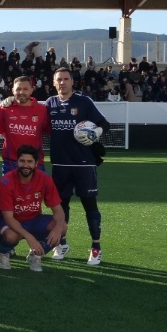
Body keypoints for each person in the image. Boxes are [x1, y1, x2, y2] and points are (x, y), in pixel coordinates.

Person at [46, 67, 110, 265]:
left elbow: (104, 124)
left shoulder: (84, 102)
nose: (63, 82)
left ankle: (96, 247)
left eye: (66, 79)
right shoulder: (50, 103)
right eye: (59, 80)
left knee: (89, 205)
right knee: (61, 207)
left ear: (72, 82)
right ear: (54, 83)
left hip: (83, 163)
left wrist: (95, 133)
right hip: (60, 163)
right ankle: (61, 243)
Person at [0, 145, 65, 272]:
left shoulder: (45, 179)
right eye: (22, 161)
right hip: (12, 221)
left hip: (34, 219)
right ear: (17, 162)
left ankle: (35, 255)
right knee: (11, 236)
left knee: (62, 227)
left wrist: (58, 228)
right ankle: (3, 253)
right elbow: (8, 218)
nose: (25, 165)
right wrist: (30, 237)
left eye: (29, 161)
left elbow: (58, 210)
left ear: (36, 163)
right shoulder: (6, 181)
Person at [0, 76, 49, 174]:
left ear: (32, 90)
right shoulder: (5, 109)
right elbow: (2, 131)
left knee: (37, 190)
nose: (21, 92)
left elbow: (48, 130)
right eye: (18, 89)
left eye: (25, 89)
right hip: (11, 163)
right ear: (13, 90)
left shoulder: (42, 110)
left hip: (35, 163)